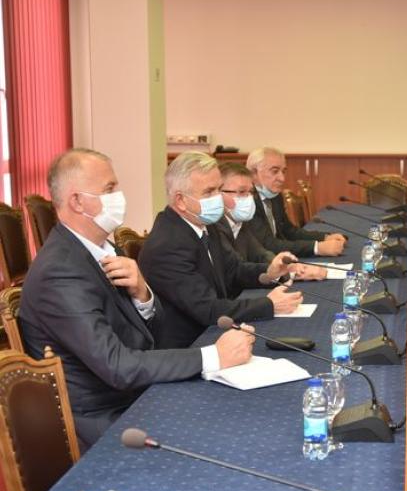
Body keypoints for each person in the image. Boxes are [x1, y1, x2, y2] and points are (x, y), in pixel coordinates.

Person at [19, 149, 255, 449]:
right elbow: (118, 366)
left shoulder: (106, 251)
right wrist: (213, 356)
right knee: (221, 435)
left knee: (234, 414)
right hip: (103, 419)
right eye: (109, 189)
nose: (119, 196)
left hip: (136, 394)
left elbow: (153, 338)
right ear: (77, 201)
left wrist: (144, 296)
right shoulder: (59, 271)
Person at [139, 151, 302, 351]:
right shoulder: (167, 245)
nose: (219, 199)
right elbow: (207, 308)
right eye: (209, 192)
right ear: (180, 200)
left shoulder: (205, 224)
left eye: (218, 189)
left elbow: (234, 269)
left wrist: (270, 272)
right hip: (189, 347)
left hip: (214, 331)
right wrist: (268, 304)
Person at [212, 162, 325, 288]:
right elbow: (237, 270)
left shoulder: (239, 221)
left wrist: (284, 266)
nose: (248, 198)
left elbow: (260, 253)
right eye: (242, 191)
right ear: (217, 194)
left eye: (251, 192)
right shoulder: (214, 228)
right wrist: (285, 274)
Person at [244, 146, 346, 257]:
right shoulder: (247, 201)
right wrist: (317, 248)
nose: (282, 178)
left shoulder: (275, 196)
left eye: (283, 171)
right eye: (275, 171)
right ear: (253, 173)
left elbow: (289, 231)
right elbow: (268, 245)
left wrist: (325, 237)